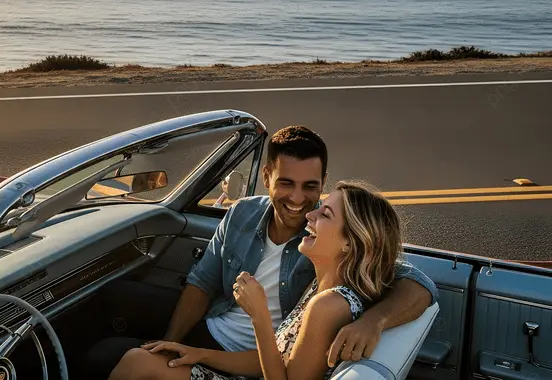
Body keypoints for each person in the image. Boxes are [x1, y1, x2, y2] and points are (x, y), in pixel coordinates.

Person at [90, 125, 437, 379]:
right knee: (111, 301)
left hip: (257, 359)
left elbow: (419, 282)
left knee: (114, 357)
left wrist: (375, 322)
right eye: (286, 183)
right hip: (221, 332)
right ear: (268, 176)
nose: (302, 204)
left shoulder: (326, 265)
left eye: (312, 189)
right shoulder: (244, 215)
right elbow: (202, 281)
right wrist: (176, 344)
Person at [114, 180, 405, 380]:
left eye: (325, 214)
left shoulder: (327, 306)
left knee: (136, 362)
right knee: (140, 359)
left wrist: (260, 316)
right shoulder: (323, 288)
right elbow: (278, 361)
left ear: (349, 244)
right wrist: (197, 353)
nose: (310, 214)